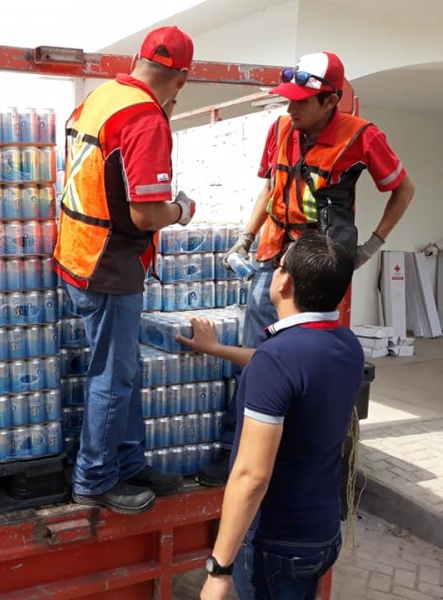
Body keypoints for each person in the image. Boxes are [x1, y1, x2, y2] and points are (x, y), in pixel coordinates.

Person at [197, 51, 415, 487]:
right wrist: (246, 237)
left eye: (301, 101)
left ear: (331, 101)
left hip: (318, 262)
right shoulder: (281, 128)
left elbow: (403, 189)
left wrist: (372, 245)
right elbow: (270, 185)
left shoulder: (362, 137)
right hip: (274, 252)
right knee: (256, 358)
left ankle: (295, 452)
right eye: (288, 100)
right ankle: (237, 450)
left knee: (306, 356)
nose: (291, 108)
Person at [52, 25, 197, 514]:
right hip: (109, 264)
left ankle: (129, 462)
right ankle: (94, 479)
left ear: (138, 61)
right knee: (112, 377)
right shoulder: (145, 120)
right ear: (180, 79)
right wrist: (182, 209)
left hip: (77, 252)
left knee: (122, 370)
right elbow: (144, 215)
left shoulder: (102, 97)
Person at [177, 231, 364, 599]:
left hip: (277, 542)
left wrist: (219, 569)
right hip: (321, 531)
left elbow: (252, 476)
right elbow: (287, 370)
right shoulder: (347, 344)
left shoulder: (279, 360)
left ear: (285, 281)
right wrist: (217, 349)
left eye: (278, 266)